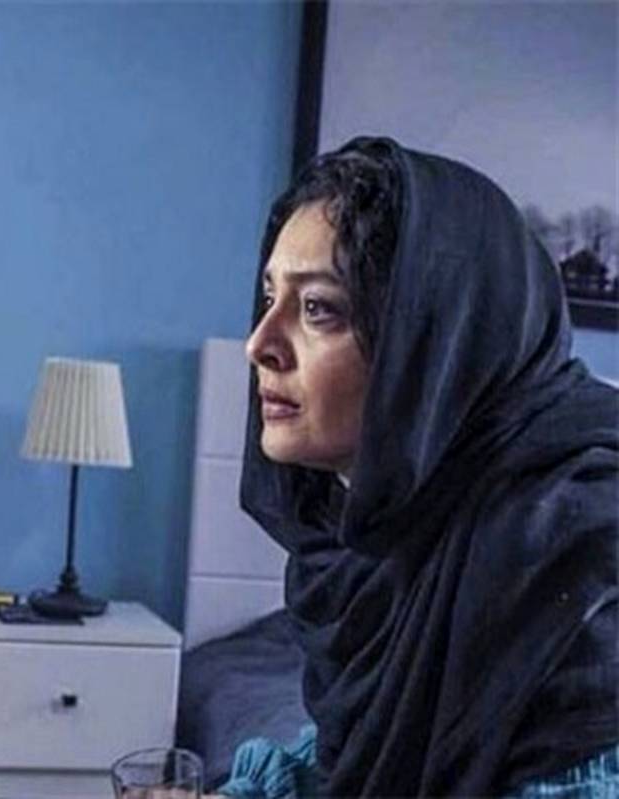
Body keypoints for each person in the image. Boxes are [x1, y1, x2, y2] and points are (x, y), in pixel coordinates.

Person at [226, 137, 618, 796]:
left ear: (433, 342)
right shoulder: (367, 540)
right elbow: (354, 760)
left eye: (318, 308)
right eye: (269, 298)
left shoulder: (578, 552)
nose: (259, 344)